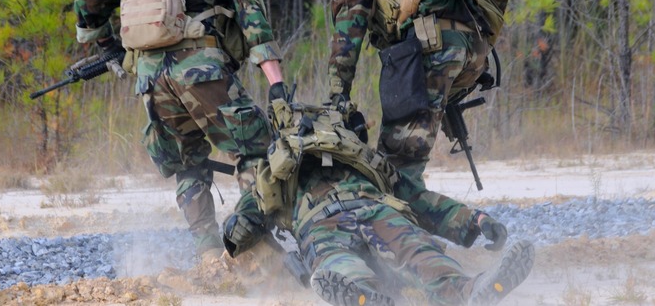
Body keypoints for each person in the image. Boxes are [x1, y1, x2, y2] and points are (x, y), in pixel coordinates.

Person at [73, 0, 288, 259]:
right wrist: (278, 88)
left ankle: (206, 252)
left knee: (188, 161)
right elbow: (257, 34)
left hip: (151, 80)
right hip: (202, 70)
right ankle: (246, 245)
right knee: (259, 150)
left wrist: (109, 46)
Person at [226, 101, 534, 306]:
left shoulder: (361, 162)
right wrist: (238, 226)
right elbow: (239, 231)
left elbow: (419, 199)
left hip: (335, 219)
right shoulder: (275, 174)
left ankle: (471, 291)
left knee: (413, 249)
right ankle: (368, 296)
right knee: (345, 263)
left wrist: (475, 220)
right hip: (357, 213)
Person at [328, 0, 513, 249]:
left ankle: (438, 242)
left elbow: (347, 34)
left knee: (395, 173)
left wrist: (337, 94)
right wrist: (483, 43)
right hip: (471, 54)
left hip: (427, 55)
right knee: (404, 162)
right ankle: (434, 238)